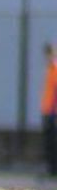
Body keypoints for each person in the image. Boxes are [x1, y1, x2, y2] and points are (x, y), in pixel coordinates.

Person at [43, 42, 57, 178]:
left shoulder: (55, 69)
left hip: (53, 112)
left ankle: (53, 169)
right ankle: (50, 169)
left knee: (53, 143)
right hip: (47, 110)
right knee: (48, 142)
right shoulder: (49, 69)